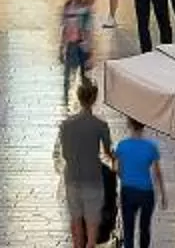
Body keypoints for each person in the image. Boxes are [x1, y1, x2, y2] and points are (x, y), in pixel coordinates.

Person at [57, 79, 114, 248]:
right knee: (92, 219)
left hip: (72, 177)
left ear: (79, 97)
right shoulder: (101, 125)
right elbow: (108, 152)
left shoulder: (66, 125)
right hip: (93, 179)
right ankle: (90, 245)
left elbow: (65, 153)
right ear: (94, 99)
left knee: (75, 219)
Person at [114, 114, 166, 247]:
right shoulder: (151, 147)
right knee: (144, 228)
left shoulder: (122, 145)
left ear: (128, 124)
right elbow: (157, 173)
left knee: (128, 230)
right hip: (146, 193)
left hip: (128, 191)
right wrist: (163, 194)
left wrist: (126, 178)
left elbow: (118, 170)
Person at [58, 0, 95, 104]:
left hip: (82, 45)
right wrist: (61, 47)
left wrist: (91, 50)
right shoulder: (67, 8)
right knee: (68, 75)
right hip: (71, 45)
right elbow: (64, 28)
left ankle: (86, 100)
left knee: (84, 76)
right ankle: (66, 99)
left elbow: (89, 30)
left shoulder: (85, 10)